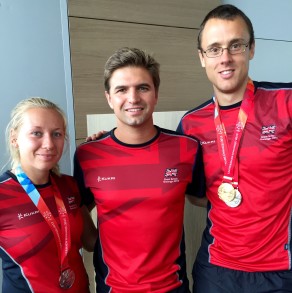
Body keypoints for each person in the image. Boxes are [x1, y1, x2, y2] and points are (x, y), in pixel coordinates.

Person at [177, 4, 292, 293]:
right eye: (214, 49)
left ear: (251, 49)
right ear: (202, 58)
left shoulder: (286, 103)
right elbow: (195, 196)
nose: (225, 58)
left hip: (281, 271)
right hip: (216, 270)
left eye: (235, 45)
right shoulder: (191, 125)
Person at [74, 47, 205, 293]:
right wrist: (94, 243)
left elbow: (205, 198)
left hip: (172, 287)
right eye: (122, 90)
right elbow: (78, 206)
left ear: (155, 94)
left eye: (142, 88)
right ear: (109, 98)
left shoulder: (186, 148)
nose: (133, 98)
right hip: (113, 288)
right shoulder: (88, 154)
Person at [0, 97, 97, 293]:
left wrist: (103, 152)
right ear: (14, 137)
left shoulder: (70, 185)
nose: (49, 144)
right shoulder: (3, 194)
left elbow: (91, 242)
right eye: (36, 133)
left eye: (57, 134)